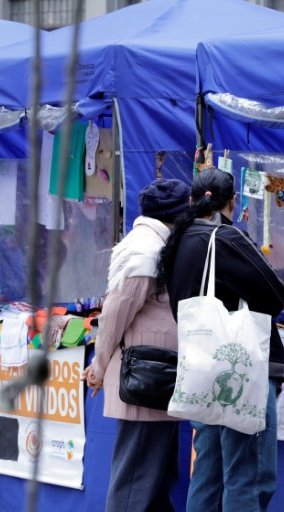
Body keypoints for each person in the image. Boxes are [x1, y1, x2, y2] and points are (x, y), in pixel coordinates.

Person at [156, 168, 284, 512]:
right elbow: (275, 296)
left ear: (191, 200)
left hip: (201, 370)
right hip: (241, 369)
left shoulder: (178, 242)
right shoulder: (225, 239)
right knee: (249, 476)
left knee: (208, 476)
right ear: (233, 202)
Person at [81, 178, 187, 512]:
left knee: (156, 480)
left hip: (156, 375)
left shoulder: (154, 243)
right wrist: (99, 366)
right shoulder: (146, 249)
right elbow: (115, 314)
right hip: (146, 375)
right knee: (136, 483)